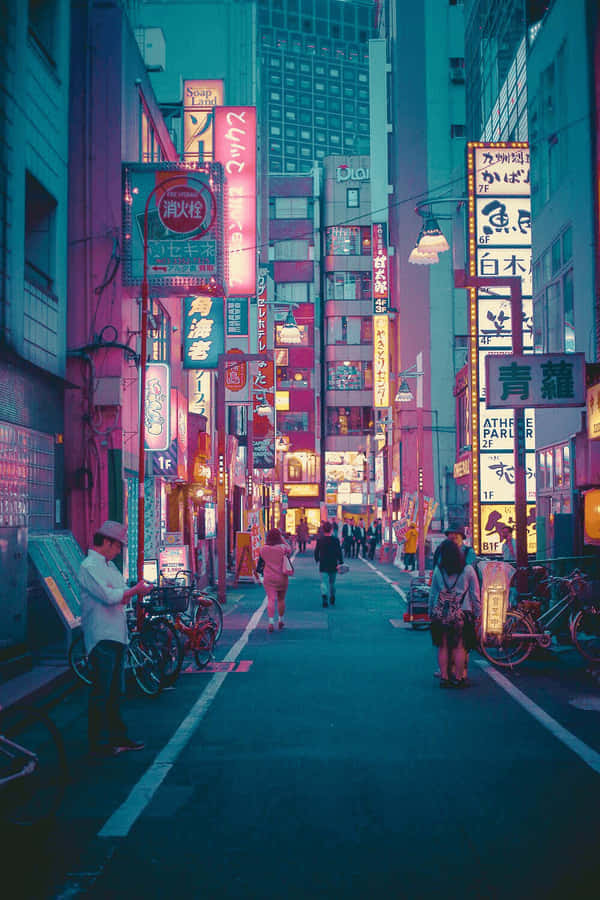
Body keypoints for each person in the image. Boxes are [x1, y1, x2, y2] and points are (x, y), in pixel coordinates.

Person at [78, 520, 154, 758]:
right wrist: (134, 591)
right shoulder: (89, 566)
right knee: (102, 692)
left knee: (113, 692)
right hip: (101, 636)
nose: (120, 550)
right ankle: (99, 743)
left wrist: (131, 593)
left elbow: (119, 597)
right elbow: (110, 596)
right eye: (118, 545)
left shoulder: (109, 567)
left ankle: (116, 737)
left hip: (116, 635)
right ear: (108, 543)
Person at [428, 538, 481, 688]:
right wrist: (478, 613)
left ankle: (444, 677)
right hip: (462, 614)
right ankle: (459, 678)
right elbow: (475, 594)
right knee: (460, 646)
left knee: (443, 645)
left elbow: (433, 593)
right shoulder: (468, 569)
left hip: (442, 613)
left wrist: (430, 610)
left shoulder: (439, 570)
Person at [259, 527, 292, 632]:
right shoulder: (282, 548)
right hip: (282, 577)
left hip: (269, 578)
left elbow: (261, 559)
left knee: (271, 599)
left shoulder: (263, 549)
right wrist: (282, 539)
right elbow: (289, 549)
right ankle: (281, 620)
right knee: (281, 599)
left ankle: (270, 621)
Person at [314, 520, 344, 607]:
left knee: (323, 582)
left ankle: (324, 597)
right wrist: (341, 562)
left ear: (323, 530)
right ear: (331, 529)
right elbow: (339, 552)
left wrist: (317, 559)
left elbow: (316, 552)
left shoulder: (320, 540)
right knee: (332, 582)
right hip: (333, 563)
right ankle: (332, 596)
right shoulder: (335, 540)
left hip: (323, 563)